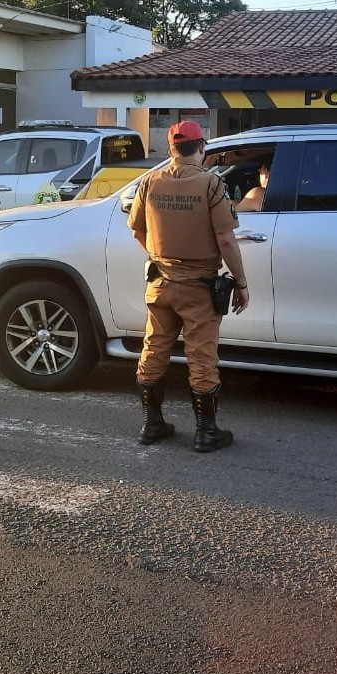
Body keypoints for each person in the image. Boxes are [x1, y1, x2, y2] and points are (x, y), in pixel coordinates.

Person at [127, 120, 250, 452]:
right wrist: (241, 283)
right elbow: (225, 238)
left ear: (170, 149)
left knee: (153, 351)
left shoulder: (149, 182)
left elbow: (137, 230)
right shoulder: (212, 185)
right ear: (201, 147)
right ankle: (206, 432)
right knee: (202, 358)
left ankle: (152, 426)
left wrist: (162, 257)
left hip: (161, 284)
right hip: (199, 288)